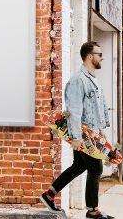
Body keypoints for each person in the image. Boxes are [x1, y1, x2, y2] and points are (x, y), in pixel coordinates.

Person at [40, 41, 114, 219]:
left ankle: (49, 194)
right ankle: (92, 210)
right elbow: (74, 111)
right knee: (96, 168)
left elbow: (99, 107)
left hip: (92, 133)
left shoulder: (93, 80)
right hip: (82, 134)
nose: (102, 57)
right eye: (99, 54)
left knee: (79, 166)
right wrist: (75, 137)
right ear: (90, 56)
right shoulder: (77, 81)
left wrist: (101, 128)